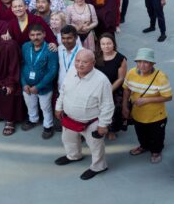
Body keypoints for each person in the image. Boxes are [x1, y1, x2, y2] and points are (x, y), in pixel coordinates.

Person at [55, 48, 115, 180]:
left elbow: (108, 105)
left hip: (91, 122)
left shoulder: (102, 81)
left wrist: (103, 124)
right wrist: (58, 107)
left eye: (84, 62)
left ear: (93, 63)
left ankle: (99, 166)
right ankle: (73, 156)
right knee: (68, 140)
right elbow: (63, 91)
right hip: (69, 118)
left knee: (96, 146)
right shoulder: (71, 71)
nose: (80, 65)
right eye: (77, 61)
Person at [122, 48, 172, 164]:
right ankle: (143, 146)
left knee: (157, 136)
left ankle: (156, 151)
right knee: (141, 133)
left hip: (156, 116)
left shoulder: (161, 77)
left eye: (146, 62)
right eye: (139, 62)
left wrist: (146, 100)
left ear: (152, 63)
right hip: (137, 114)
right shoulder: (131, 73)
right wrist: (125, 106)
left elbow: (168, 97)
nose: (142, 65)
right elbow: (126, 90)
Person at [20, 24, 58, 139]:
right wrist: (23, 83)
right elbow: (22, 65)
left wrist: (39, 86)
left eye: (38, 34)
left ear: (44, 34)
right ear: (29, 36)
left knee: (45, 107)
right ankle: (33, 120)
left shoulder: (50, 49)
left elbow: (53, 71)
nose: (35, 37)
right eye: (32, 35)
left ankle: (48, 126)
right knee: (30, 105)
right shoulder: (25, 46)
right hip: (27, 85)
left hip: (44, 87)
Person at [95, 33, 127, 141]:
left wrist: (108, 90)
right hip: (98, 88)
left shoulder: (121, 59)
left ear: (114, 44)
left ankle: (112, 130)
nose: (106, 46)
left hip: (114, 88)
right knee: (98, 109)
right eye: (103, 44)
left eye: (109, 43)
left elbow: (121, 78)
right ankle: (101, 126)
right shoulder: (96, 57)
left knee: (114, 110)